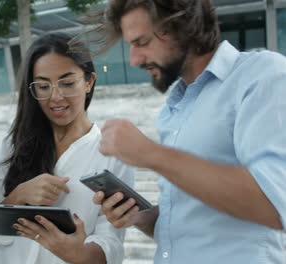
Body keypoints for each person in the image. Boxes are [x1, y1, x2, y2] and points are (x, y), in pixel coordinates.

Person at [87, 0, 286, 263]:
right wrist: (138, 216)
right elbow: (191, 222)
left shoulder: (262, 75)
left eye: (142, 42)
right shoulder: (175, 107)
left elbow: (273, 206)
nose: (134, 59)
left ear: (182, 27)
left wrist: (149, 153)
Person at [0, 32, 133, 264]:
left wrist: (76, 253)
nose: (56, 97)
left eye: (67, 83)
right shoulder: (14, 144)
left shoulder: (112, 153)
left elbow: (112, 243)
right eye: (43, 86)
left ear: (89, 81)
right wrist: (17, 197)